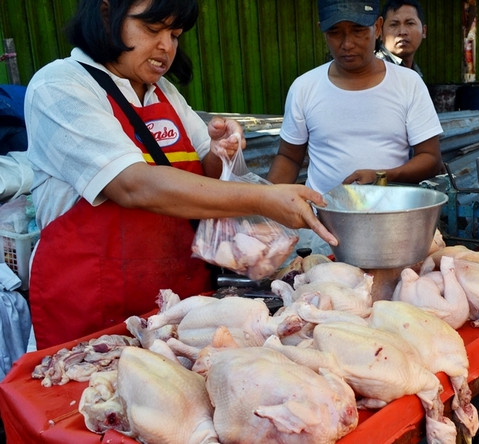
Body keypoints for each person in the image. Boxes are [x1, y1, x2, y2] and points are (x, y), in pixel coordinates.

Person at [24, 0, 336, 350]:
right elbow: (132, 185)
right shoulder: (60, 86)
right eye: (152, 29)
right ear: (106, 14)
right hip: (94, 309)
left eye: (175, 34)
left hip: (175, 307)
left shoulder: (165, 94)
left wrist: (223, 151)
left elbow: (207, 172)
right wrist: (266, 197)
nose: (166, 47)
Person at [266, 0, 443, 195]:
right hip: (321, 218)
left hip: (390, 217)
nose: (347, 44)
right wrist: (266, 204)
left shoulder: (408, 83)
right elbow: (289, 158)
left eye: (358, 30)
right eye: (334, 32)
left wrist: (381, 176)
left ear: (377, 27)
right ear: (322, 30)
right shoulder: (304, 87)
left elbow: (431, 158)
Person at [375, 0, 426, 77]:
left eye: (410, 23)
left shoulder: (415, 71)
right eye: (394, 24)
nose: (402, 32)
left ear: (424, 31)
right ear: (380, 32)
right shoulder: (373, 69)